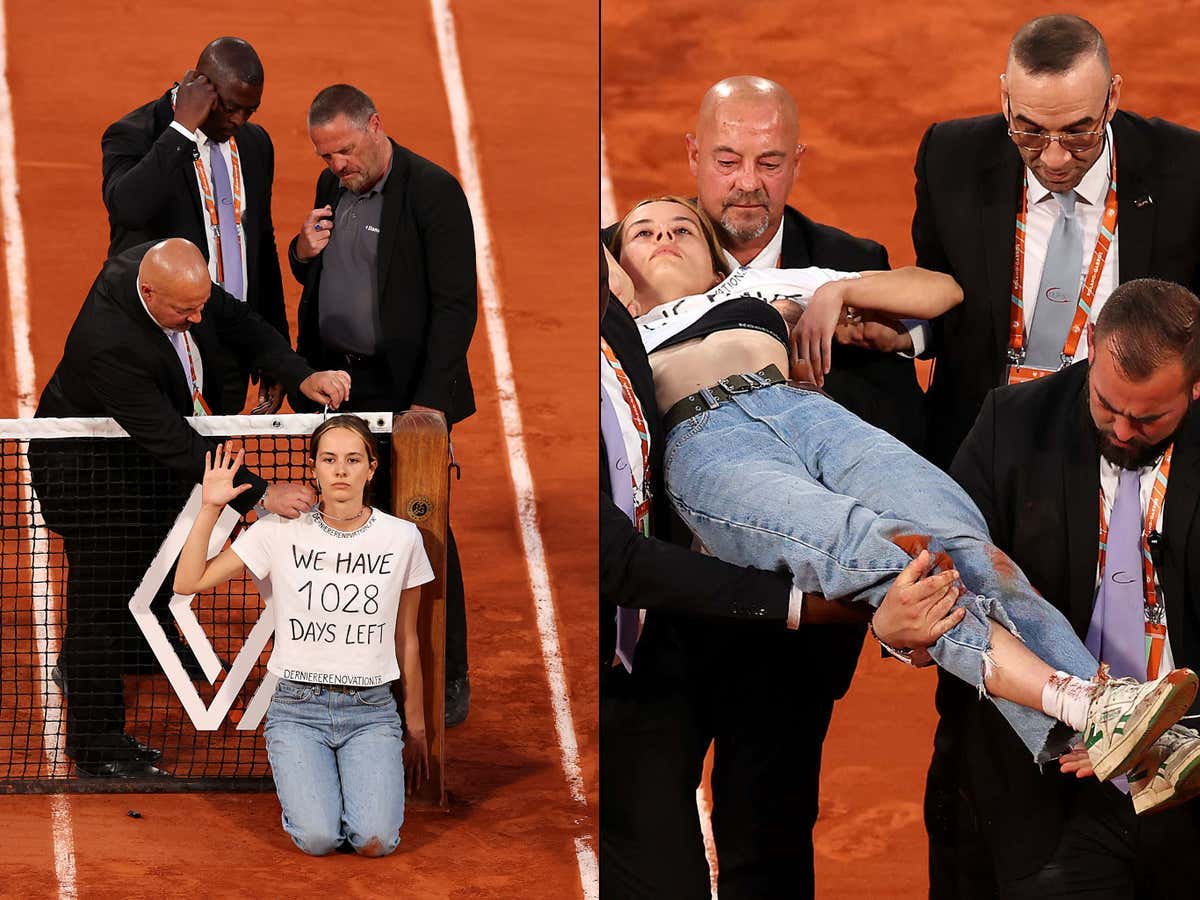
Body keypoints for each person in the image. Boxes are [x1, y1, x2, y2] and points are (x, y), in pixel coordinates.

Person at [610, 194, 1199, 818]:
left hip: (808, 413)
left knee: (960, 541)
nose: (664, 238)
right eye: (642, 233)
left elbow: (939, 293)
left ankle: (1128, 734)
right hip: (707, 444)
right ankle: (1090, 707)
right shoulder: (613, 329)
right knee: (882, 554)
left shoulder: (757, 289)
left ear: (715, 256)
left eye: (682, 228)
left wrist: (837, 292)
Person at [911, 15, 1200, 892]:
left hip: (1140, 460)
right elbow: (945, 305)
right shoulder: (952, 157)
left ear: (1114, 99)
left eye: (1078, 131)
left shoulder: (1187, 173)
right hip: (1010, 470)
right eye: (1030, 131)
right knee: (982, 708)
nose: (1055, 156)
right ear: (1004, 102)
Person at [875, 278, 1200, 897]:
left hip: (1191, 773)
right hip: (1050, 788)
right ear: (1092, 347)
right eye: (1107, 406)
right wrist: (897, 631)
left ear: (1195, 385)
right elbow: (943, 573)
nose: (1123, 431)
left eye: (1149, 418)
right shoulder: (1014, 423)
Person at [32, 238, 350, 778]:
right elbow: (172, 439)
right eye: (186, 311)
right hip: (88, 476)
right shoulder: (108, 342)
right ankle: (96, 741)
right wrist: (259, 493)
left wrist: (300, 374)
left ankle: (141, 647)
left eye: (200, 304)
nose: (199, 318)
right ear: (149, 292)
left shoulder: (174, 282)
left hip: (138, 461)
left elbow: (239, 321)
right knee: (101, 599)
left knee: (157, 549)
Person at [287, 84, 476, 727]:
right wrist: (302, 251)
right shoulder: (332, 185)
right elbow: (318, 273)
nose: (336, 165)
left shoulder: (432, 192)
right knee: (342, 517)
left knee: (419, 526)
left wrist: (426, 408)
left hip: (405, 394)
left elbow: (456, 307)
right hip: (338, 388)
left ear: (375, 125)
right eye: (325, 155)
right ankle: (359, 661)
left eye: (344, 150)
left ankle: (446, 673)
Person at [173, 416, 430, 856]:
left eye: (353, 460)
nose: (341, 470)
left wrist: (417, 727)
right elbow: (188, 582)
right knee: (318, 839)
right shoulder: (277, 530)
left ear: (372, 468)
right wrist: (210, 507)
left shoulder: (402, 538)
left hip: (371, 711)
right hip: (298, 710)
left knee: (377, 841)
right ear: (314, 468)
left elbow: (407, 639)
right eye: (329, 460)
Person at [101, 36, 289, 415]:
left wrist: (274, 350)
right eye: (231, 108)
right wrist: (182, 129)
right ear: (202, 86)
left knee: (215, 451)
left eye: (250, 111)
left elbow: (261, 246)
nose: (239, 120)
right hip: (164, 346)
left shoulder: (254, 144)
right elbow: (127, 208)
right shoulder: (136, 133)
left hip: (231, 346)